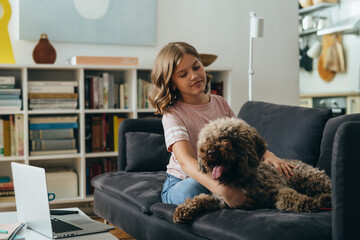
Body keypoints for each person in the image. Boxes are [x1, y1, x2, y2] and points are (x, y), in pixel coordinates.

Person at [149, 42, 296, 208]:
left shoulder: (220, 102)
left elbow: (242, 141)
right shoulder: (173, 114)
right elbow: (186, 162)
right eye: (183, 74)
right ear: (172, 83)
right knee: (196, 187)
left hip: (223, 174)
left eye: (196, 67)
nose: (194, 75)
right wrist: (223, 191)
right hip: (185, 180)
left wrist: (268, 155)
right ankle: (225, 196)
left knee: (262, 174)